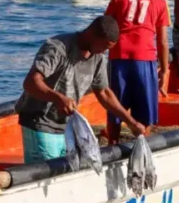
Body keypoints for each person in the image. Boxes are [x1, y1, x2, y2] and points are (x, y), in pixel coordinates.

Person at [15, 15, 146, 164]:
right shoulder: (58, 47)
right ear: (92, 35)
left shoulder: (97, 57)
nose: (104, 52)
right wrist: (58, 98)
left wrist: (130, 122)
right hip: (39, 122)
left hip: (67, 127)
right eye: (104, 47)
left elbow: (103, 92)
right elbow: (31, 82)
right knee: (46, 177)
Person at [104, 0, 170, 145]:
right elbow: (163, 41)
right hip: (145, 57)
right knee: (145, 110)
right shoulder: (159, 2)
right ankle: (142, 145)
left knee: (117, 106)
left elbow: (106, 25)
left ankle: (112, 143)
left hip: (119, 56)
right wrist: (164, 69)